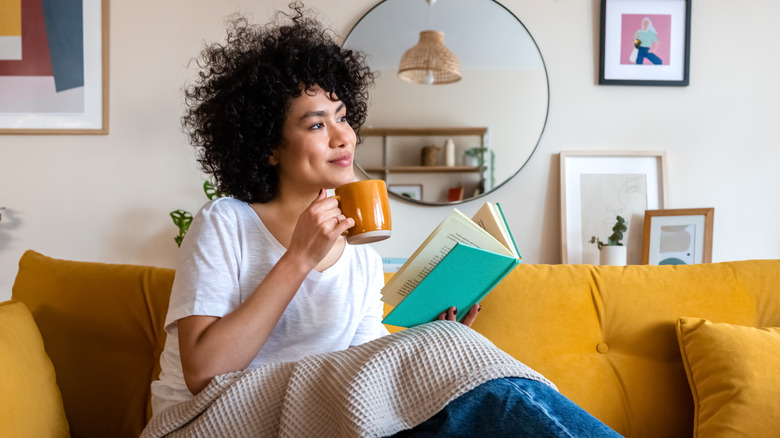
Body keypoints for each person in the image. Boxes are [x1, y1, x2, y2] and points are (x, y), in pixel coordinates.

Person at [149, 3, 621, 436]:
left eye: (343, 116)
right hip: (209, 419)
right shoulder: (225, 222)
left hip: (307, 419)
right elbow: (203, 372)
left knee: (460, 383)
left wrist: (437, 334)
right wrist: (298, 259)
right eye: (316, 125)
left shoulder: (361, 259)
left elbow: (366, 383)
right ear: (268, 146)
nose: (343, 137)